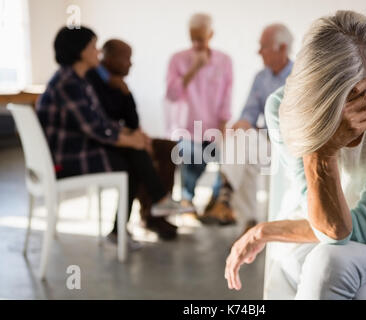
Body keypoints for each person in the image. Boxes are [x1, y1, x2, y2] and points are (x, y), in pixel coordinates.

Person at [225, 10, 366, 299]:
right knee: (350, 281)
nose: (359, 132)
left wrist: (267, 230)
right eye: (351, 109)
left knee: (331, 263)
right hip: (312, 223)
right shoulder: (281, 108)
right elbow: (328, 229)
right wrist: (323, 149)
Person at [36, 27, 179, 246]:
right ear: (81, 51)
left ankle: (147, 211)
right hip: (66, 160)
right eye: (94, 47)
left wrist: (132, 135)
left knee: (136, 152)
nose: (98, 52)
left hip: (75, 151)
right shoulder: (69, 83)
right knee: (133, 157)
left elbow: (102, 121)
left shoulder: (77, 79)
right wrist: (132, 139)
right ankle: (151, 207)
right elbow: (94, 127)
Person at [86, 39, 189, 240]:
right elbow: (99, 124)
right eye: (127, 58)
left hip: (120, 138)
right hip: (102, 145)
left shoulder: (117, 83)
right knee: (137, 155)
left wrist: (126, 93)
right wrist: (133, 139)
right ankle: (156, 207)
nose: (130, 63)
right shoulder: (91, 79)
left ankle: (155, 212)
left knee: (168, 148)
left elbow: (132, 121)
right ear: (110, 58)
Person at [201, 24, 293, 231]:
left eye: (264, 46)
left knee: (243, 149)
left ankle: (225, 198)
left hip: (289, 144)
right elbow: (249, 113)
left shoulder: (300, 76)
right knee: (239, 140)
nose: (258, 51)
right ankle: (248, 221)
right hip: (264, 143)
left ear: (282, 47)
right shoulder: (261, 78)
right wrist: (242, 122)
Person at [165, 13, 232, 215]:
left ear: (211, 34)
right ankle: (188, 202)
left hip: (214, 128)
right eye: (192, 37)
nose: (196, 42)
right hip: (186, 131)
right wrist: (194, 69)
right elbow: (171, 95)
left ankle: (216, 202)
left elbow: (227, 96)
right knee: (192, 157)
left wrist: (223, 129)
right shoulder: (178, 60)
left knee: (231, 158)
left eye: (200, 38)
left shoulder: (224, 61)